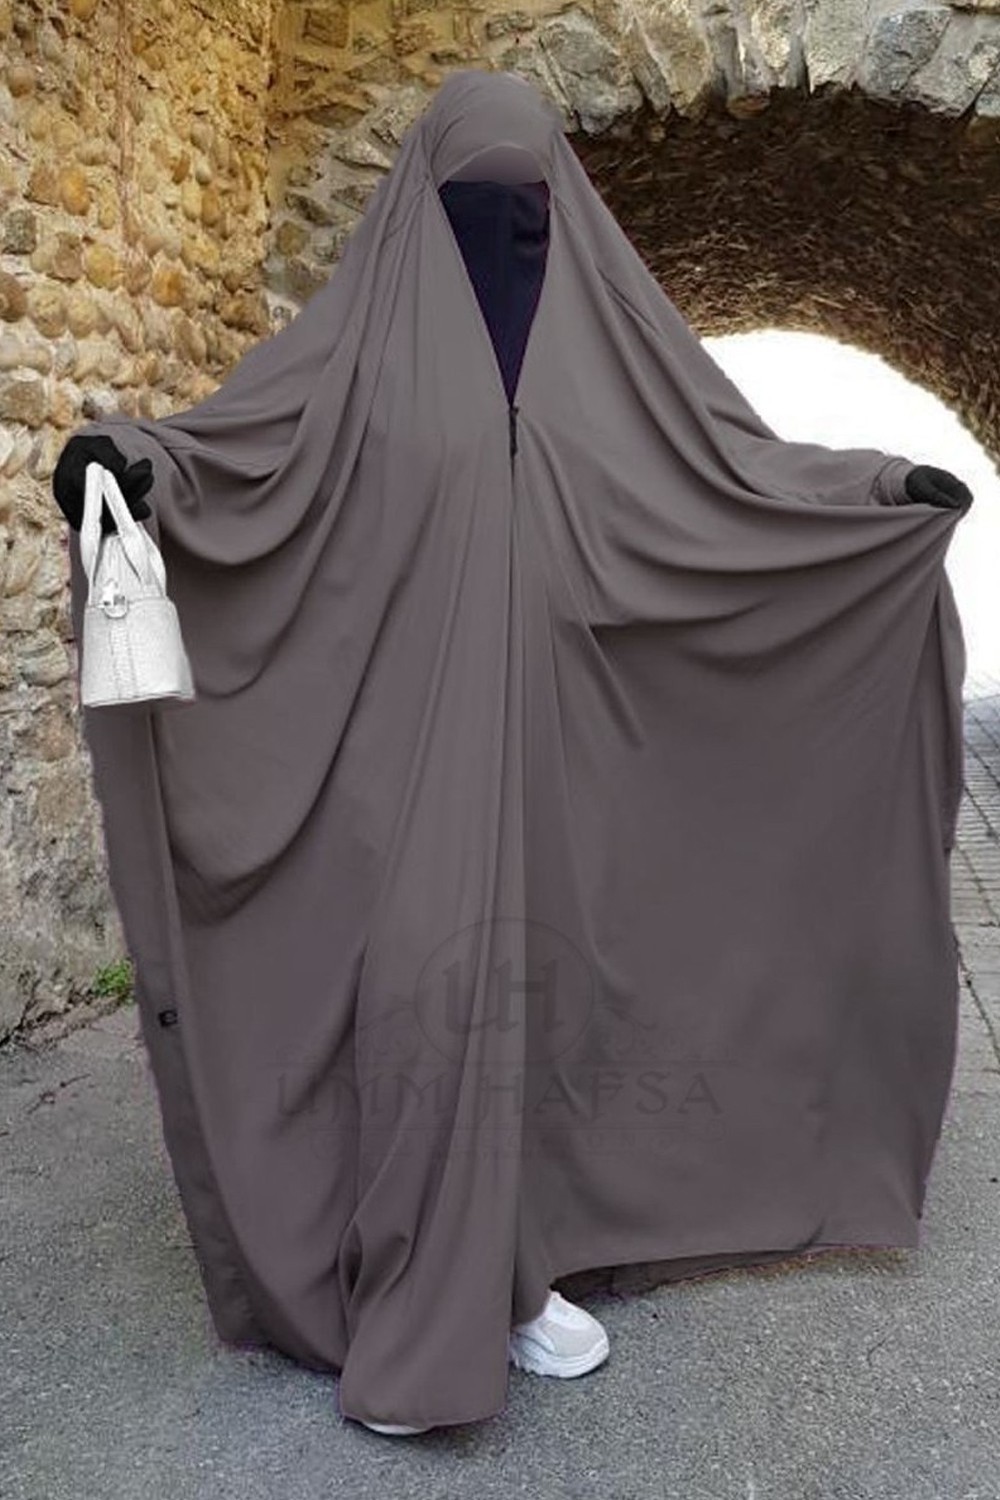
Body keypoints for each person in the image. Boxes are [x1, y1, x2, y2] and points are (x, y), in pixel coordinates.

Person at [52, 68, 972, 1438]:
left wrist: (883, 491)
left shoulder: (618, 359)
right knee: (428, 998)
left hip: (571, 751)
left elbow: (736, 473)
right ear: (419, 211)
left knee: (552, 1007)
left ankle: (525, 1267)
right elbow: (240, 455)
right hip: (401, 759)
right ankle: (427, 1297)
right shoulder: (355, 358)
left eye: (528, 206)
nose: (505, 235)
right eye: (474, 209)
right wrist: (126, 463)